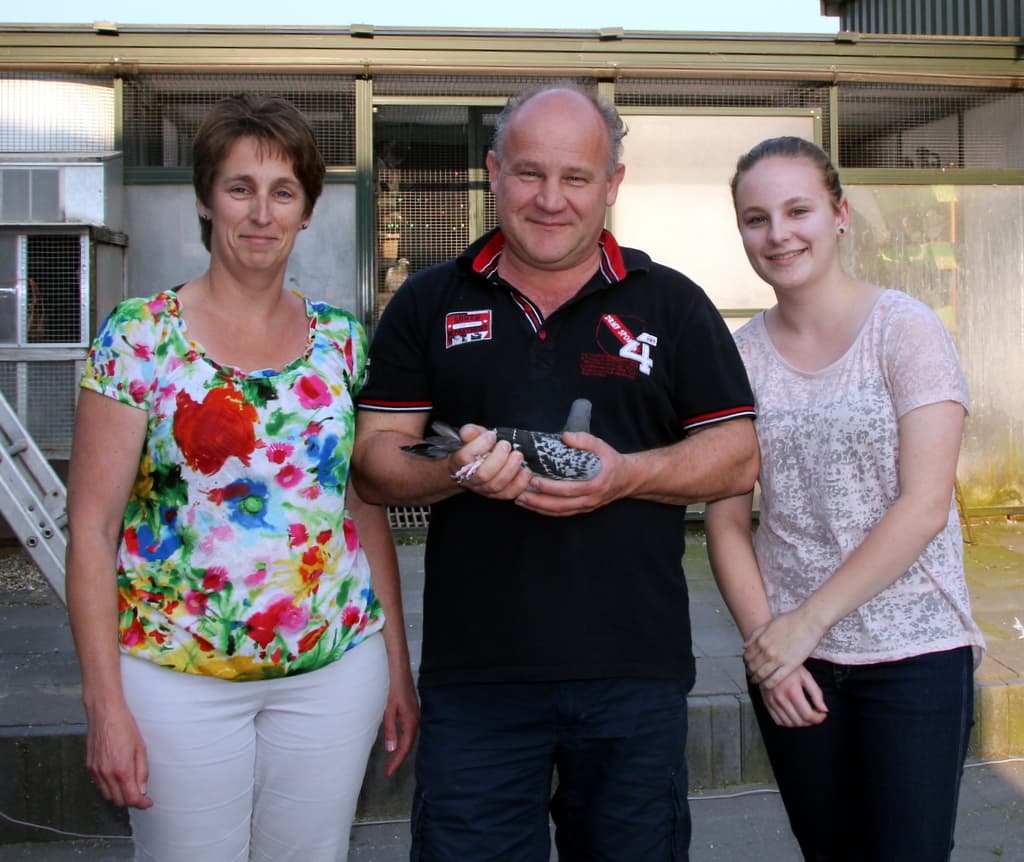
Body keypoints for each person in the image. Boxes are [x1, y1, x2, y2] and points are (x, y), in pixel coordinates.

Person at [351, 84, 758, 861]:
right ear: (494, 171)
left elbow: (737, 454)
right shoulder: (429, 302)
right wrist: (457, 470)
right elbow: (374, 461)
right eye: (529, 173)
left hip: (634, 675)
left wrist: (624, 476)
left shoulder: (670, 303)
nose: (550, 199)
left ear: (613, 183)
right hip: (477, 682)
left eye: (576, 177)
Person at [65, 94, 418, 862]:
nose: (261, 213)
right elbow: (90, 529)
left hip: (333, 672)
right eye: (239, 188)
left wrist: (397, 663)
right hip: (175, 677)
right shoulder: (139, 337)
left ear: (306, 210)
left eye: (283, 192)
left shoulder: (342, 341)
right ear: (205, 199)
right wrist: (104, 704)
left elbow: (361, 509)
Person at [705, 136, 985, 861]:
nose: (778, 234)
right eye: (756, 218)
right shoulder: (737, 357)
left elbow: (923, 506)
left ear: (840, 214)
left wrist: (807, 623)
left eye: (797, 210)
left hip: (914, 652)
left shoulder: (906, 330)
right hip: (793, 663)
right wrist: (770, 648)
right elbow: (726, 521)